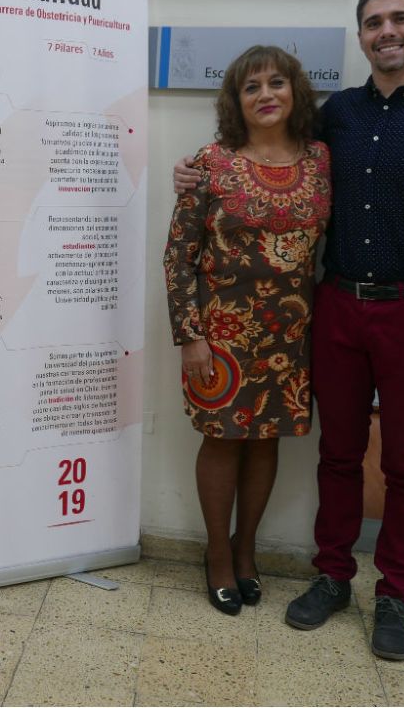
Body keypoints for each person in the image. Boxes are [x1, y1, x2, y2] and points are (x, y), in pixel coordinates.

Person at [174, 0, 404, 658]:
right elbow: (265, 149)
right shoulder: (339, 120)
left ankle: (394, 595)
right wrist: (192, 175)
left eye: (400, 19)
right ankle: (331, 577)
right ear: (360, 37)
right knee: (338, 455)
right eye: (374, 22)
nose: (387, 31)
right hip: (337, 307)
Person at [163, 45, 331, 616]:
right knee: (223, 438)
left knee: (266, 440)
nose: (266, 95)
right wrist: (190, 335)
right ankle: (216, 554)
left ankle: (245, 548)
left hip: (290, 334)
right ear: (236, 101)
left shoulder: (320, 161)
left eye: (276, 83)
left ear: (295, 92)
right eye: (251, 87)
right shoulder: (209, 162)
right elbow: (178, 256)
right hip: (222, 335)